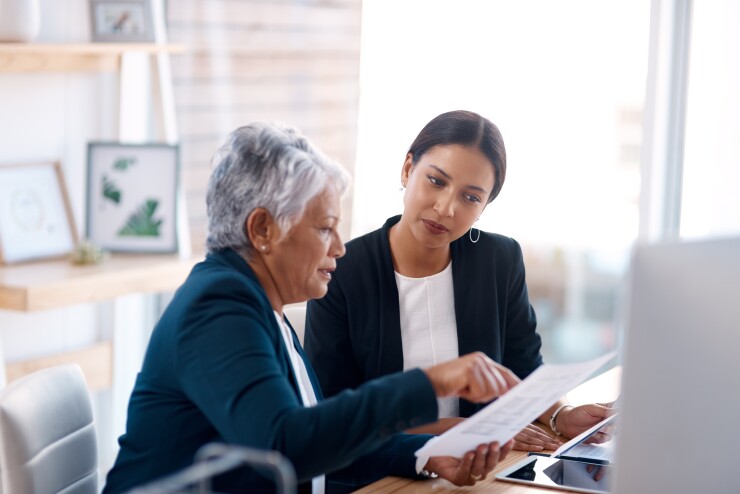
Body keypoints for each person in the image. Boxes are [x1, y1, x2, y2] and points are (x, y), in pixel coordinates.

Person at [102, 121, 520, 494]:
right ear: (263, 229)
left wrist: (427, 453)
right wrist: (430, 383)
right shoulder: (218, 307)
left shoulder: (261, 304)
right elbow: (285, 446)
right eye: (325, 229)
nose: (339, 247)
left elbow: (317, 434)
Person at [304, 110, 615, 457]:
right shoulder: (341, 271)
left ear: (484, 206)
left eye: (470, 197)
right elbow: (333, 413)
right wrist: (458, 432)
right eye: (436, 181)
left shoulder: (499, 259)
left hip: (480, 464)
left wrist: (562, 414)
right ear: (408, 170)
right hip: (382, 470)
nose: (446, 208)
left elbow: (523, 366)